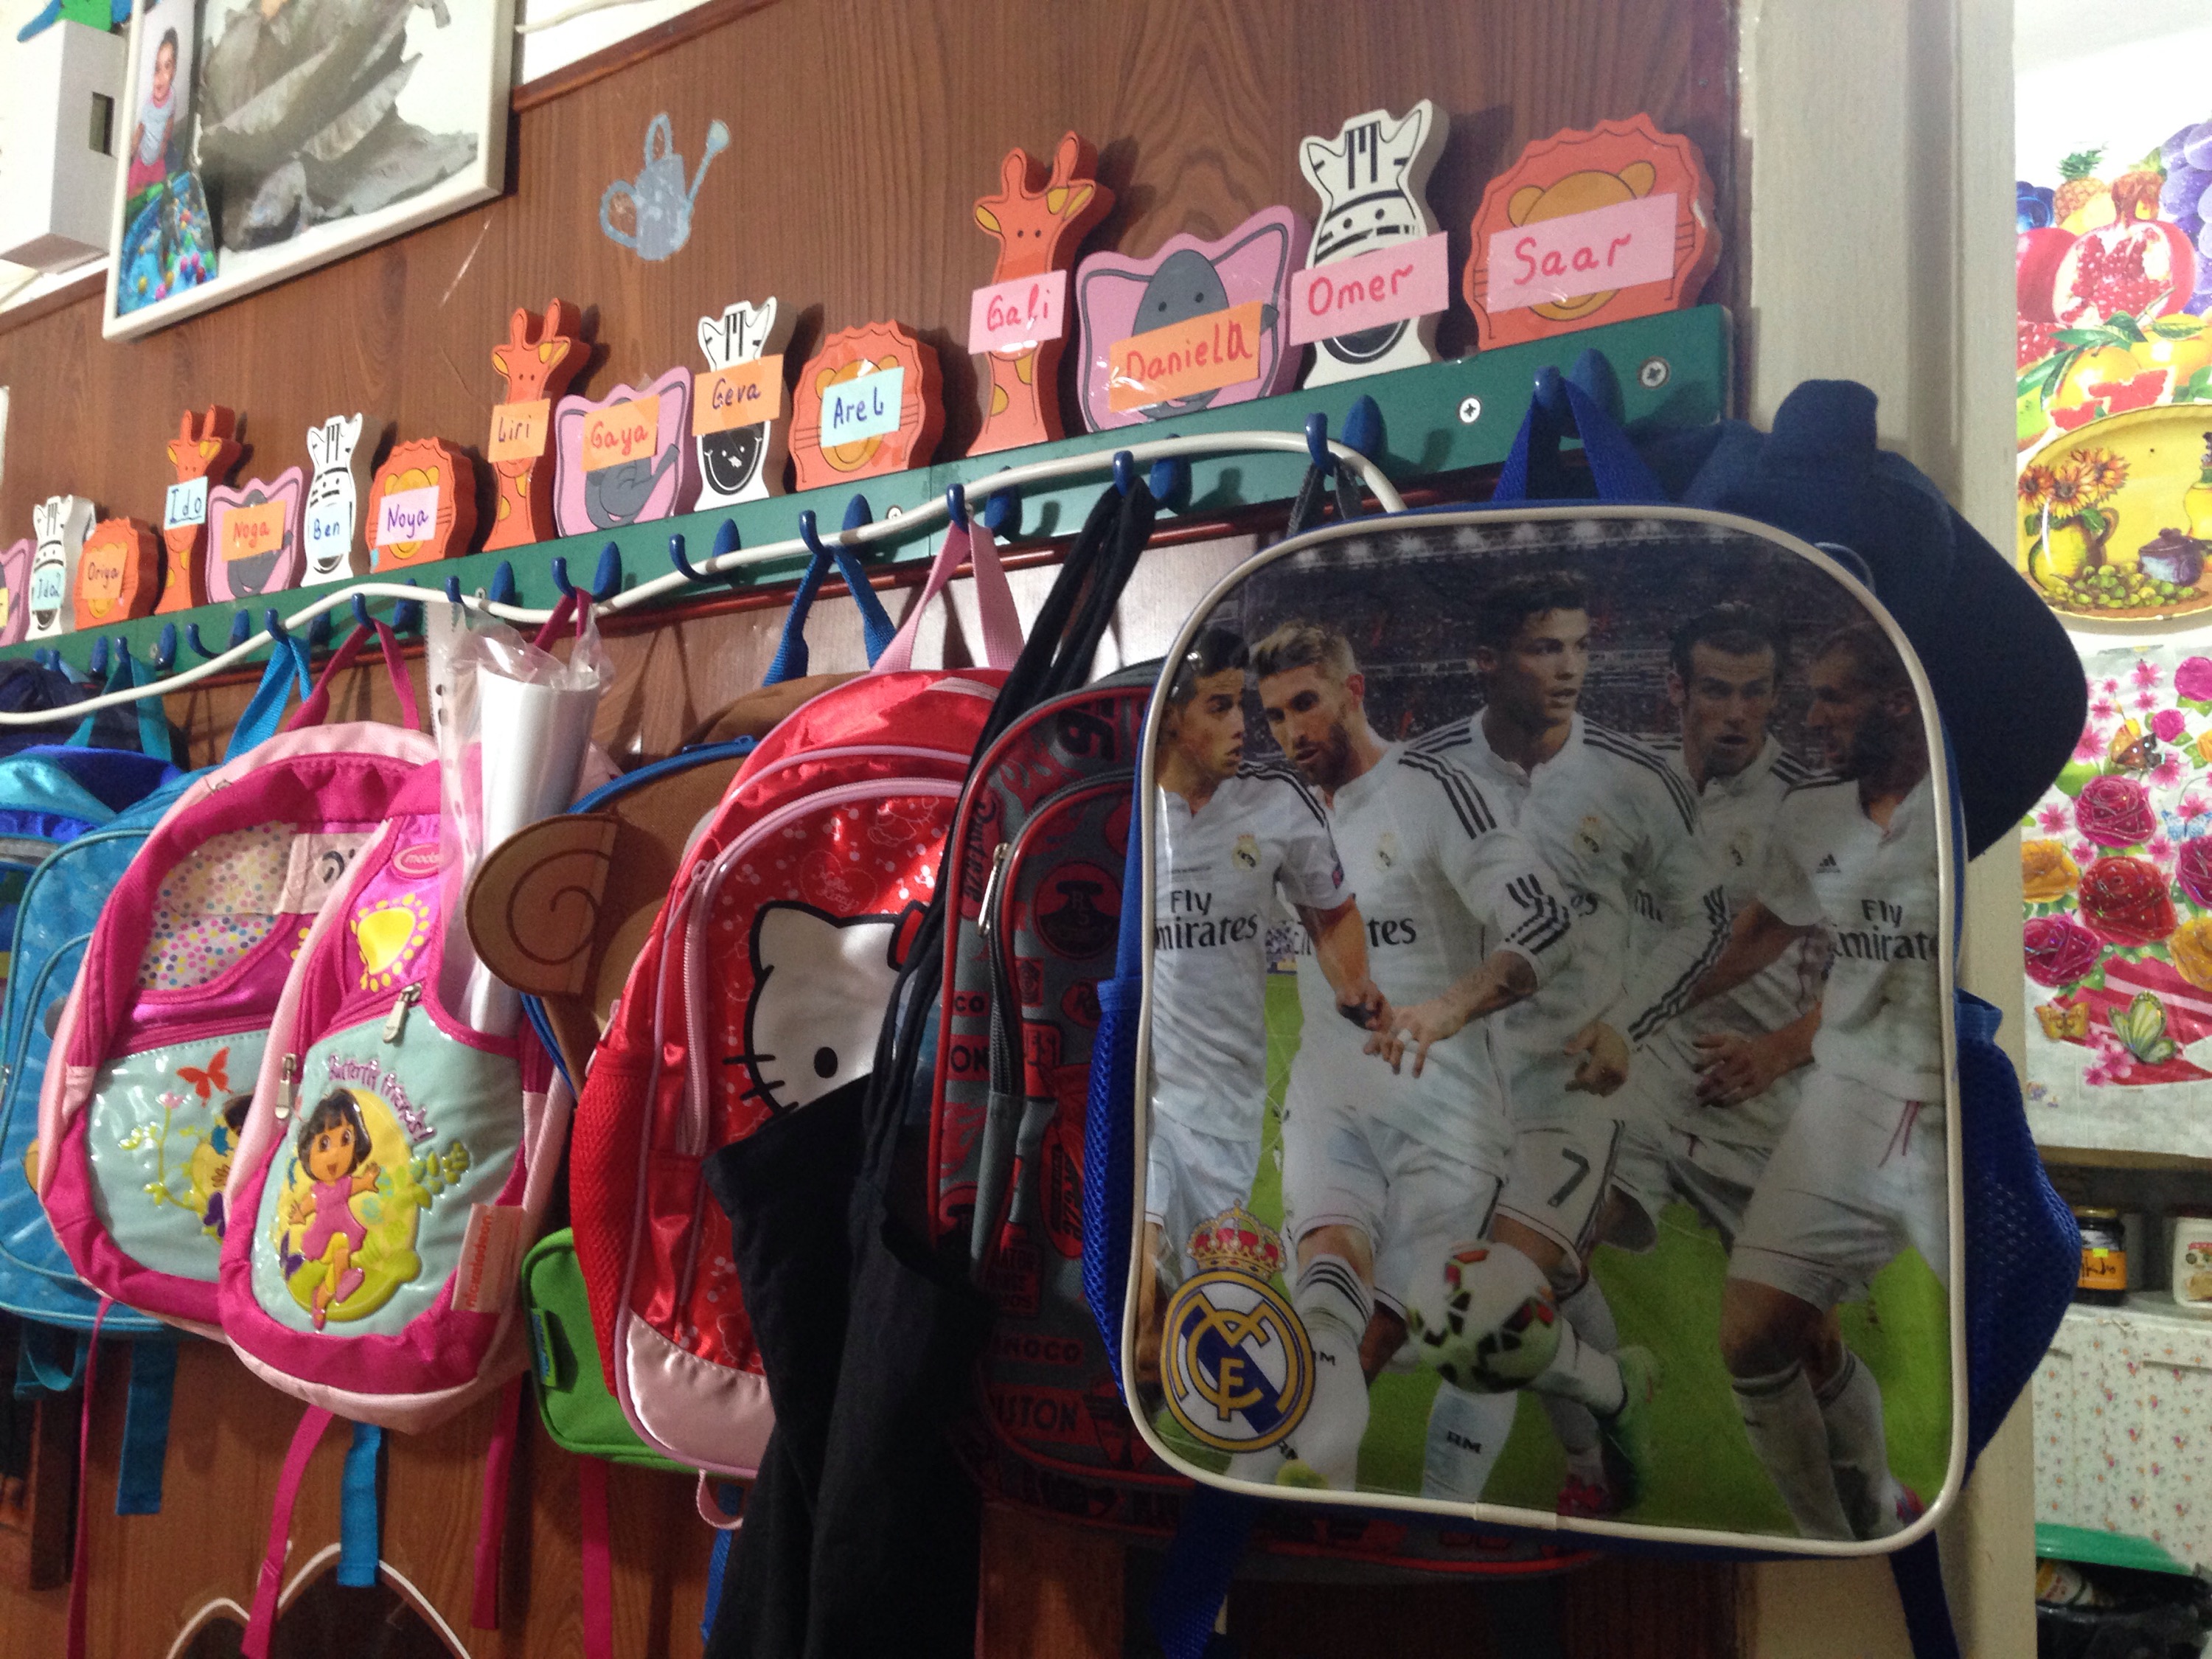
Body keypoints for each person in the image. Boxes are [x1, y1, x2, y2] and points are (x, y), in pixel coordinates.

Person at [1404, 569, 1728, 1514]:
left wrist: (1627, 1023)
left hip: (1572, 1087)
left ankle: (1438, 1523)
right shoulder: (1425, 773)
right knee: (1539, 1280)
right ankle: (1609, 1415)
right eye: (1545, 647)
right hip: (1452, 1086)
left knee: (1487, 1301)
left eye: (1582, 646)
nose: (1570, 668)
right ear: (1486, 660)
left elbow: (1702, 920)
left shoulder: (1636, 780)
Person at [1246, 620, 1577, 1498]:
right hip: (1330, 1102)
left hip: (1443, 1117)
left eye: (1306, 704)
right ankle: (1294, 1500)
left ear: (1354, 692)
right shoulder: (1289, 817)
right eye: (1274, 716)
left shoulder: (1433, 791)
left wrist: (1450, 1007)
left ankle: (1437, 1506)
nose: (1292, 732)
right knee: (1322, 1301)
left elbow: (1546, 922)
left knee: (1397, 1338)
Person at [1692, 621, 1944, 1540]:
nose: (1813, 717)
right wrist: (1639, 998)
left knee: (1975, 1337)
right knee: (1754, 1334)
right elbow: (1765, 931)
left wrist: (1776, 1049)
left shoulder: (1961, 804)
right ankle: (1839, 1536)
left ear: (1896, 700)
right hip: (1848, 1101)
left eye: (1834, 697)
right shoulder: (1813, 815)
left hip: (1952, 1109)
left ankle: (1911, 1513)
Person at [1138, 625, 1381, 1385]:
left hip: (1229, 1111)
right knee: (1134, 1296)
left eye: (1241, 704)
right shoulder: (1122, 809)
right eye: (1220, 706)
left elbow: (1333, 912)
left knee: (1191, 1339)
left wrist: (1351, 982)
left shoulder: (1276, 806)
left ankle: (1156, 1433)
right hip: (1142, 1105)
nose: (1243, 725)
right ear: (1170, 716)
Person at [125, 29, 184, 212]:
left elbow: (170, 118)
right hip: (143, 159)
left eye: (167, 67)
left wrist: (165, 141)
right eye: (157, 69)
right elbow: (141, 128)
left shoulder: (172, 96)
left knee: (159, 198)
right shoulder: (149, 104)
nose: (161, 77)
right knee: (130, 194)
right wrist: (132, 150)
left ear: (174, 70)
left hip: (159, 160)